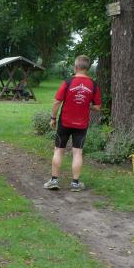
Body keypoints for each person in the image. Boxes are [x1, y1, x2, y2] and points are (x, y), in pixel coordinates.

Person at [43, 55, 101, 192]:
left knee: (58, 150)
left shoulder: (68, 82)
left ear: (75, 67)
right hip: (81, 124)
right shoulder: (93, 85)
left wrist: (53, 118)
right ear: (87, 68)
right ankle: (75, 184)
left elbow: (57, 102)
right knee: (77, 152)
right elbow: (97, 107)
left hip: (65, 122)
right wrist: (87, 105)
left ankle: (54, 181)